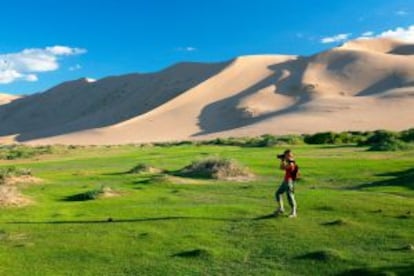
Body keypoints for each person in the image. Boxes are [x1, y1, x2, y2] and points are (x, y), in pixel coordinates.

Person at [275, 149, 297, 218]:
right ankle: (281, 208)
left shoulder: (291, 162)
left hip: (289, 182)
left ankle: (294, 212)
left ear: (291, 155)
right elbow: (281, 168)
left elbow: (286, 167)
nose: (287, 156)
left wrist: (284, 161)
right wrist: (282, 160)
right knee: (278, 193)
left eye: (288, 155)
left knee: (290, 196)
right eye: (286, 155)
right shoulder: (287, 161)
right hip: (285, 181)